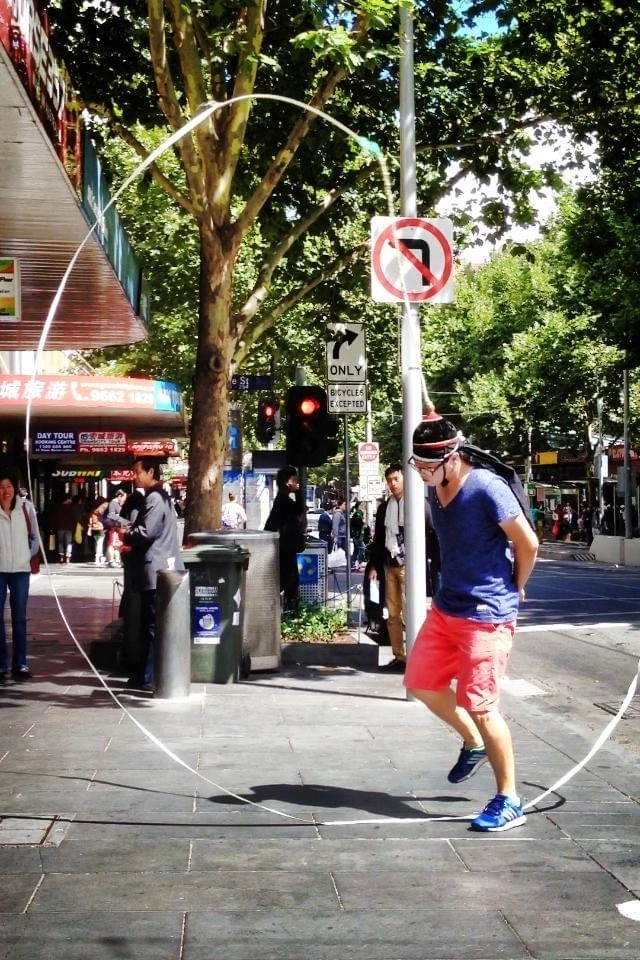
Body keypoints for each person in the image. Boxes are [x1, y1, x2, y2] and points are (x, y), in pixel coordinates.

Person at [405, 412, 539, 833]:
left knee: (481, 706)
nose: (422, 473)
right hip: (447, 607)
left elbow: (528, 543)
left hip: (486, 614)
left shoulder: (485, 487)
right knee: (421, 682)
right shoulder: (435, 487)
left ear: (452, 457)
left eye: (428, 466)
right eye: (417, 465)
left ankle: (509, 799)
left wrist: (516, 586)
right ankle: (474, 742)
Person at [122, 459, 185, 692]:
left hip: (155, 568)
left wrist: (127, 534)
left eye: (137, 472)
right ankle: (146, 673)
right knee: (151, 622)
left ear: (151, 472)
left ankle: (149, 674)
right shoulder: (160, 496)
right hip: (160, 566)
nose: (134, 476)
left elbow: (147, 531)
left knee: (152, 624)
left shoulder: (155, 498)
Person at [0, 470, 39, 682]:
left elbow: (35, 537)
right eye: (1, 487)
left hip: (21, 571)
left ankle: (21, 663)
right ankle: (1, 664)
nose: (5, 491)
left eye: (9, 486)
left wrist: (27, 556)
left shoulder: (25, 508)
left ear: (15, 488)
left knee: (20, 618)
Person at [368, 464, 407, 672]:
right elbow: (378, 539)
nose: (392, 484)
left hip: (408, 564)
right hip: (389, 564)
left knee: (411, 612)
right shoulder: (385, 507)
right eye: (389, 480)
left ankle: (415, 656)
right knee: (392, 614)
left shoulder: (416, 503)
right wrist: (374, 565)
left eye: (396, 479)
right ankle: (399, 656)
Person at [264, 467, 306, 613]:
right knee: (289, 579)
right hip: (286, 546)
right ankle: (289, 609)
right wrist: (298, 493)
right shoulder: (284, 500)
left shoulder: (283, 499)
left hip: (285, 546)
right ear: (288, 482)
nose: (297, 483)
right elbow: (299, 511)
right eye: (294, 480)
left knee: (288, 579)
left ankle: (287, 608)